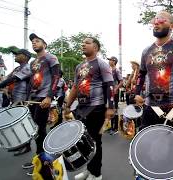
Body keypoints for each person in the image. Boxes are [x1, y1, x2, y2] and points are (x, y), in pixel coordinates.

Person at [64, 37, 114, 180]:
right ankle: (88, 170)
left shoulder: (102, 64)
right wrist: (67, 105)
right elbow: (74, 87)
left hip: (96, 108)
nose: (83, 44)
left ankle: (96, 174)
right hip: (81, 109)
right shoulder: (79, 67)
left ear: (96, 48)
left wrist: (110, 107)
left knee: (95, 142)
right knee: (83, 141)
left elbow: (110, 85)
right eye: (83, 42)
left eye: (87, 42)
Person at [22, 33, 60, 175]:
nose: (34, 43)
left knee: (40, 129)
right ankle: (39, 159)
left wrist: (49, 96)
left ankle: (45, 163)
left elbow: (56, 77)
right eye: (32, 42)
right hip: (33, 98)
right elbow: (31, 81)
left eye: (37, 41)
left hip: (44, 98)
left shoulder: (51, 57)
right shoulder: (33, 62)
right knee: (35, 130)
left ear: (44, 44)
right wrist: (26, 98)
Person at [0, 49, 33, 156]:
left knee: (22, 123)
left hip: (22, 98)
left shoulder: (28, 67)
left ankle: (26, 146)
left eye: (18, 54)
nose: (15, 56)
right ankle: (21, 145)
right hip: (14, 97)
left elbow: (13, 79)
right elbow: (6, 78)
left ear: (25, 57)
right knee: (16, 123)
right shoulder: (17, 68)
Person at [107, 56, 123, 135]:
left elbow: (121, 81)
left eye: (110, 60)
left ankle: (115, 127)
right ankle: (111, 126)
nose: (109, 61)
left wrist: (116, 88)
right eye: (109, 60)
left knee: (115, 109)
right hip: (109, 92)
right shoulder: (108, 70)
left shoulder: (116, 70)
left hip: (114, 93)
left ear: (114, 61)